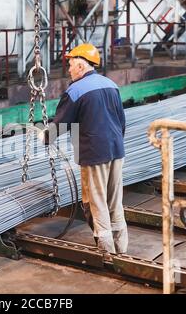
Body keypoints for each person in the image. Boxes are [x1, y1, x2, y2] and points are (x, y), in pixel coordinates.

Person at [46, 43, 128, 254]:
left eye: (71, 65)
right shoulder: (111, 84)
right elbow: (121, 120)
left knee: (97, 203)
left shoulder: (76, 90)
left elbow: (61, 124)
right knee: (114, 202)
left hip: (95, 154)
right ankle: (122, 249)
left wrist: (44, 136)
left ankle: (106, 253)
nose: (69, 70)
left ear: (81, 66)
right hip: (117, 150)